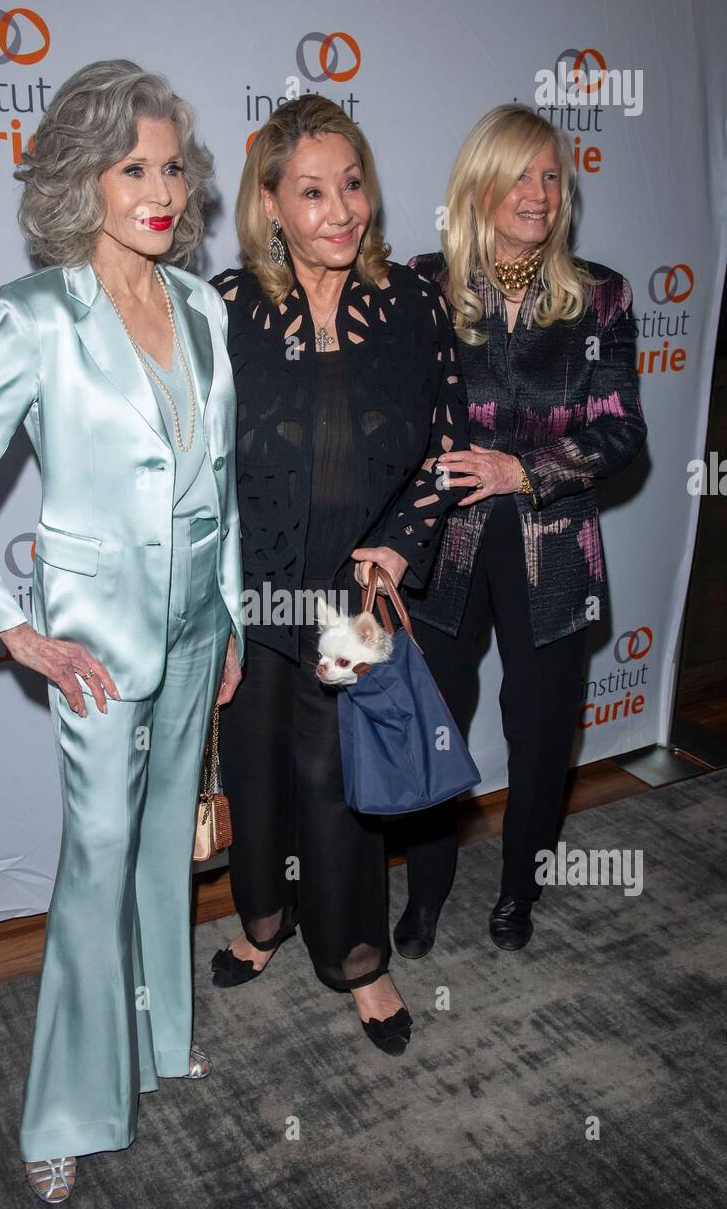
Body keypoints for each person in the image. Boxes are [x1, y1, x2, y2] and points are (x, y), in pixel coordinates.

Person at [0, 59, 244, 1202]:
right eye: (130, 167)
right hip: (95, 641)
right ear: (80, 180)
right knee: (95, 864)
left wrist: (233, 609)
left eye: (171, 165)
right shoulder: (39, 314)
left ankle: (152, 1040)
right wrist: (13, 632)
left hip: (197, 624)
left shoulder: (200, 305)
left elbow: (220, 484)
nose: (160, 188)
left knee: (162, 853)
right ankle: (60, 1106)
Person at [207, 95, 471, 1055]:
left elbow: (446, 447)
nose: (339, 209)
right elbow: (194, 464)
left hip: (349, 594)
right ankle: (263, 922)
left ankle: (359, 957)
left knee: (340, 783)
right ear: (270, 203)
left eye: (352, 184)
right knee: (256, 768)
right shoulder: (226, 307)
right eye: (311, 191)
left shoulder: (411, 304)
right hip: (251, 585)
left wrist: (403, 540)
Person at [396, 103, 647, 957]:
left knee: (542, 735)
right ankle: (425, 892)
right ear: (481, 183)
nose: (538, 193)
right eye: (520, 175)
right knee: (433, 722)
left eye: (551, 176)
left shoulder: (601, 296)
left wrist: (525, 470)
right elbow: (395, 420)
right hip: (448, 541)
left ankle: (517, 893)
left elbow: (621, 432)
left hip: (555, 544)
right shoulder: (423, 284)